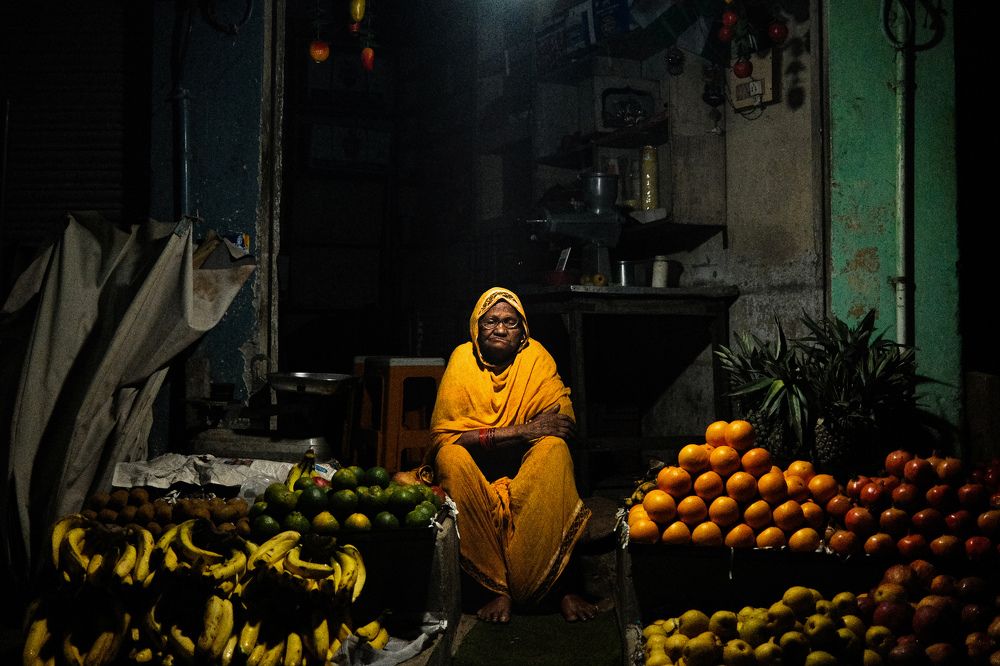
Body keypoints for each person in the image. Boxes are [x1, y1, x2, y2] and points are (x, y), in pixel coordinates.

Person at [427, 286, 598, 623]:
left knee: (554, 449)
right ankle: (495, 588)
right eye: (490, 321)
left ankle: (561, 586)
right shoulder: (462, 359)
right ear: (477, 328)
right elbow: (447, 438)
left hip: (525, 473)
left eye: (510, 322)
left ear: (523, 331)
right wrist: (520, 431)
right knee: (450, 458)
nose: (500, 329)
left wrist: (520, 434)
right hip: (477, 479)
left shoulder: (535, 357)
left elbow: (561, 421)